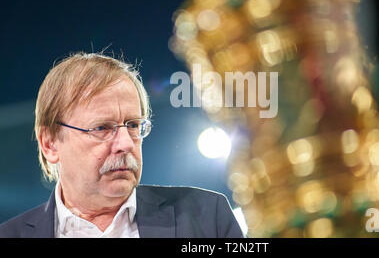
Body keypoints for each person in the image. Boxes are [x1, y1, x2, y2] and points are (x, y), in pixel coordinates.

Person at [0, 52, 243, 238]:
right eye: (102, 128)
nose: (125, 143)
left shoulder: (207, 217)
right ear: (50, 144)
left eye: (134, 125)